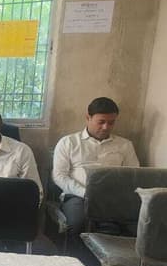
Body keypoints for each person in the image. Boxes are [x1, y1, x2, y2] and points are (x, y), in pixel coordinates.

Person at [52, 97, 139, 236]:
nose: (106, 127)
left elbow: (134, 176)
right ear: (88, 117)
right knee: (77, 223)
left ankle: (108, 248)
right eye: (101, 122)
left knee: (122, 226)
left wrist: (117, 195)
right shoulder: (69, 142)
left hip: (113, 198)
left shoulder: (125, 145)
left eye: (111, 122)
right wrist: (85, 193)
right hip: (78, 196)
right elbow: (59, 176)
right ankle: (77, 251)